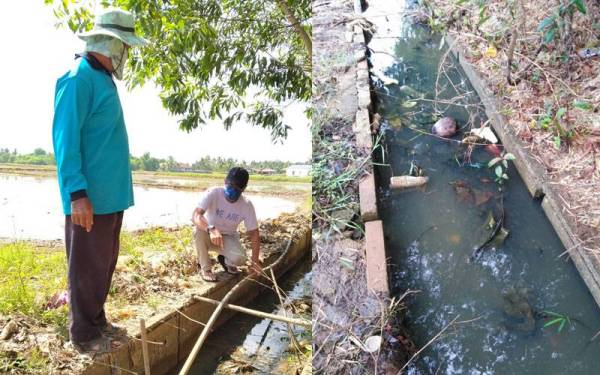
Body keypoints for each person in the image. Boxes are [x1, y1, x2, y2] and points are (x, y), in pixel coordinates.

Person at [52, 8, 147, 353]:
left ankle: (97, 320)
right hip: (90, 198)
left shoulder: (101, 78)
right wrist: (77, 194)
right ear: (109, 44)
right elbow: (66, 141)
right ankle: (84, 334)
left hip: (111, 196)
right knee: (87, 267)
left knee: (103, 263)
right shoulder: (78, 79)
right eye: (125, 47)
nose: (127, 54)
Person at [192, 167, 263, 282]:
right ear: (225, 181)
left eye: (237, 189)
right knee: (198, 230)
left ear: (243, 189)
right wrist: (211, 229)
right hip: (208, 234)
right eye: (230, 186)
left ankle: (225, 260)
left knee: (240, 259)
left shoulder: (246, 205)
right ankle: (206, 269)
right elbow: (196, 215)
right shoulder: (214, 193)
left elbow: (254, 233)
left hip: (228, 238)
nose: (232, 191)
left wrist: (255, 262)